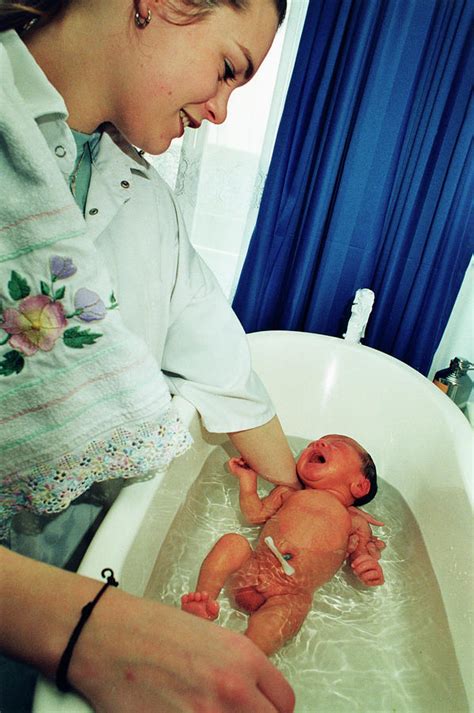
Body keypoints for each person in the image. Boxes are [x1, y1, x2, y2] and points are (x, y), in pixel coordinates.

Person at [0, 1, 299, 711]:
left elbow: (228, 373)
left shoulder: (144, 200)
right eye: (228, 69)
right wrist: (84, 631)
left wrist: (309, 500)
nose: (223, 112)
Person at [181, 434, 386, 655]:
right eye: (312, 444)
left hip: (290, 593)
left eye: (337, 445)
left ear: (359, 486)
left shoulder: (355, 522)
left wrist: (369, 568)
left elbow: (361, 556)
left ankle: (244, 657)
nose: (317, 444)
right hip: (253, 569)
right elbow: (254, 514)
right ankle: (205, 600)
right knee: (233, 543)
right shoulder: (287, 493)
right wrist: (247, 481)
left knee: (285, 616)